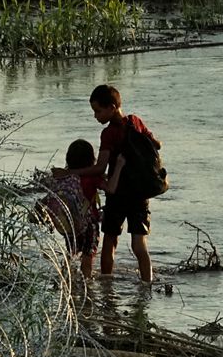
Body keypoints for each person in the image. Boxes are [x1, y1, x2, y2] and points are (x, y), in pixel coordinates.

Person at [55, 85, 161, 282]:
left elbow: (99, 168)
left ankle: (106, 285)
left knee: (110, 241)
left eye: (98, 111)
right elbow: (157, 144)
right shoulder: (136, 121)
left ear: (112, 107)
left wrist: (69, 172)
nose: (96, 116)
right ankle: (147, 285)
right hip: (140, 193)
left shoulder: (109, 134)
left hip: (118, 193)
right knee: (140, 244)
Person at [62, 138, 123, 280]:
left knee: (71, 253)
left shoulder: (67, 176)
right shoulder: (92, 178)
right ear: (91, 159)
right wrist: (119, 166)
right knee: (87, 256)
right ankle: (86, 285)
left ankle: (66, 280)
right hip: (89, 224)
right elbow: (111, 188)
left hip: (71, 223)